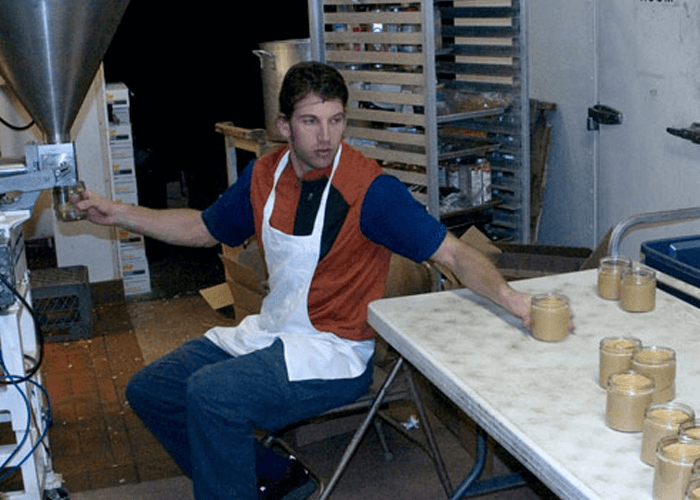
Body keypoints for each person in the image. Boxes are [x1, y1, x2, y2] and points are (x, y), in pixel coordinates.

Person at [76, 61, 533, 500]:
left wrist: (512, 298)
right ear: (283, 125)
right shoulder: (264, 175)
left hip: (333, 353)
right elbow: (202, 228)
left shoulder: (369, 190)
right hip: (275, 332)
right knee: (152, 389)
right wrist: (119, 213)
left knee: (213, 395)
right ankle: (273, 476)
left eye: (336, 120)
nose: (326, 136)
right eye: (311, 121)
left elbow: (452, 251)